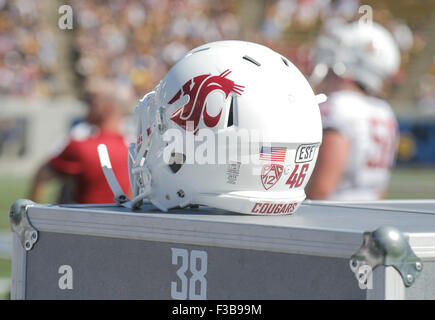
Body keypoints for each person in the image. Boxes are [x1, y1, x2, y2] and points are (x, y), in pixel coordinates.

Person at [305, 21, 401, 200]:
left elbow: (322, 189)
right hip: (367, 215)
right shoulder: (384, 110)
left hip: (331, 218)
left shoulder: (339, 107)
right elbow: (380, 189)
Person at [29, 86, 132, 204]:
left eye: (93, 103)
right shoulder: (133, 149)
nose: (88, 108)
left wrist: (31, 215)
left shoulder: (80, 146)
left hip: (82, 220)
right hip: (122, 220)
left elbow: (42, 176)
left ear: (107, 109)